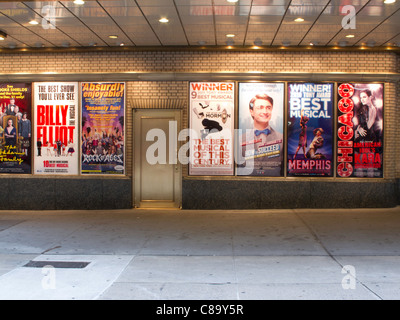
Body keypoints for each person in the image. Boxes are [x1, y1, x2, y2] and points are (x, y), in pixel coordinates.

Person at [239, 93, 283, 176]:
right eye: (260, 107)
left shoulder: (282, 138)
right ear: (251, 111)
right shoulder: (240, 139)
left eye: (268, 108)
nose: (265, 111)